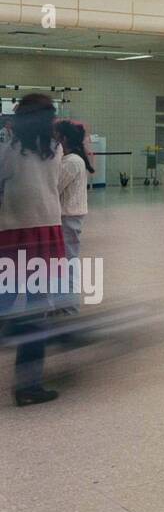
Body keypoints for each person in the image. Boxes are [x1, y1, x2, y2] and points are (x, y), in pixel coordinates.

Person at [0, 94, 69, 405]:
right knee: (37, 310)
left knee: (6, 301)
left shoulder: (9, 151)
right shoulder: (55, 150)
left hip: (12, 235)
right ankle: (28, 387)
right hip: (47, 233)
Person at [54, 119, 92, 272]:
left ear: (63, 139)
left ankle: (69, 290)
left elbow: (55, 186)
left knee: (68, 256)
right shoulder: (70, 160)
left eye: (55, 136)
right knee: (67, 254)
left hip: (69, 215)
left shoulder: (71, 161)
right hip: (69, 215)